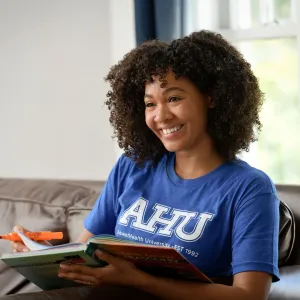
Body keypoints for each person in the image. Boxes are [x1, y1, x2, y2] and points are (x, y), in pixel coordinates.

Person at [12, 30, 280, 300]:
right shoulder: (133, 165)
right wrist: (43, 254)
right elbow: (86, 253)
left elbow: (250, 295)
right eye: (150, 104)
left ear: (212, 98)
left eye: (174, 98)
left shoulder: (250, 188)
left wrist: (140, 280)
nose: (161, 116)